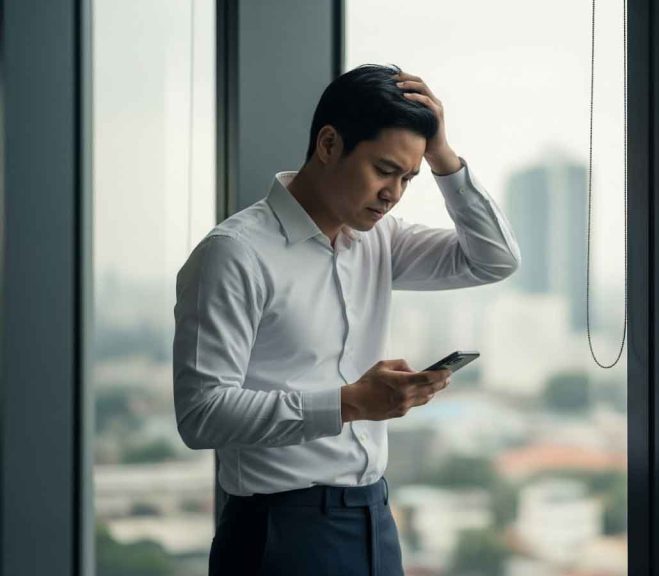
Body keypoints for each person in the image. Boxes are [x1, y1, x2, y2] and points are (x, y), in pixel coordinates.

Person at [172, 63, 521, 576]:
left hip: (374, 518)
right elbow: (202, 414)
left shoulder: (380, 240)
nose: (394, 193)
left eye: (408, 177)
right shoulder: (235, 254)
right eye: (384, 170)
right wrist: (349, 403)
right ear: (329, 144)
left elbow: (494, 258)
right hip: (278, 533)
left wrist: (445, 158)